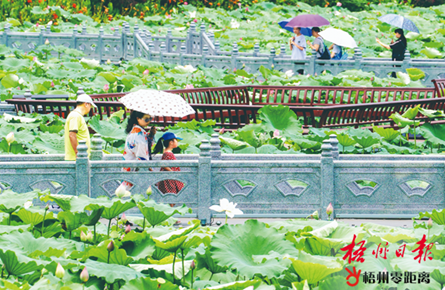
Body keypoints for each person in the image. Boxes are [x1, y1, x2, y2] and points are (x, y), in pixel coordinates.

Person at [121, 110, 156, 190]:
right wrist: (150, 169)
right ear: (138, 118)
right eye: (146, 119)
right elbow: (142, 157)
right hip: (135, 172)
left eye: (150, 118)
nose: (149, 121)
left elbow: (146, 147)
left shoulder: (136, 131)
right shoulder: (139, 136)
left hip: (128, 170)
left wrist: (151, 135)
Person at [64, 94, 97, 161]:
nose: (90, 109)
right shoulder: (75, 116)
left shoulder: (77, 115)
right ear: (86, 104)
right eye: (90, 106)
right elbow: (72, 135)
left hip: (81, 157)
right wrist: (78, 153)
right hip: (76, 158)